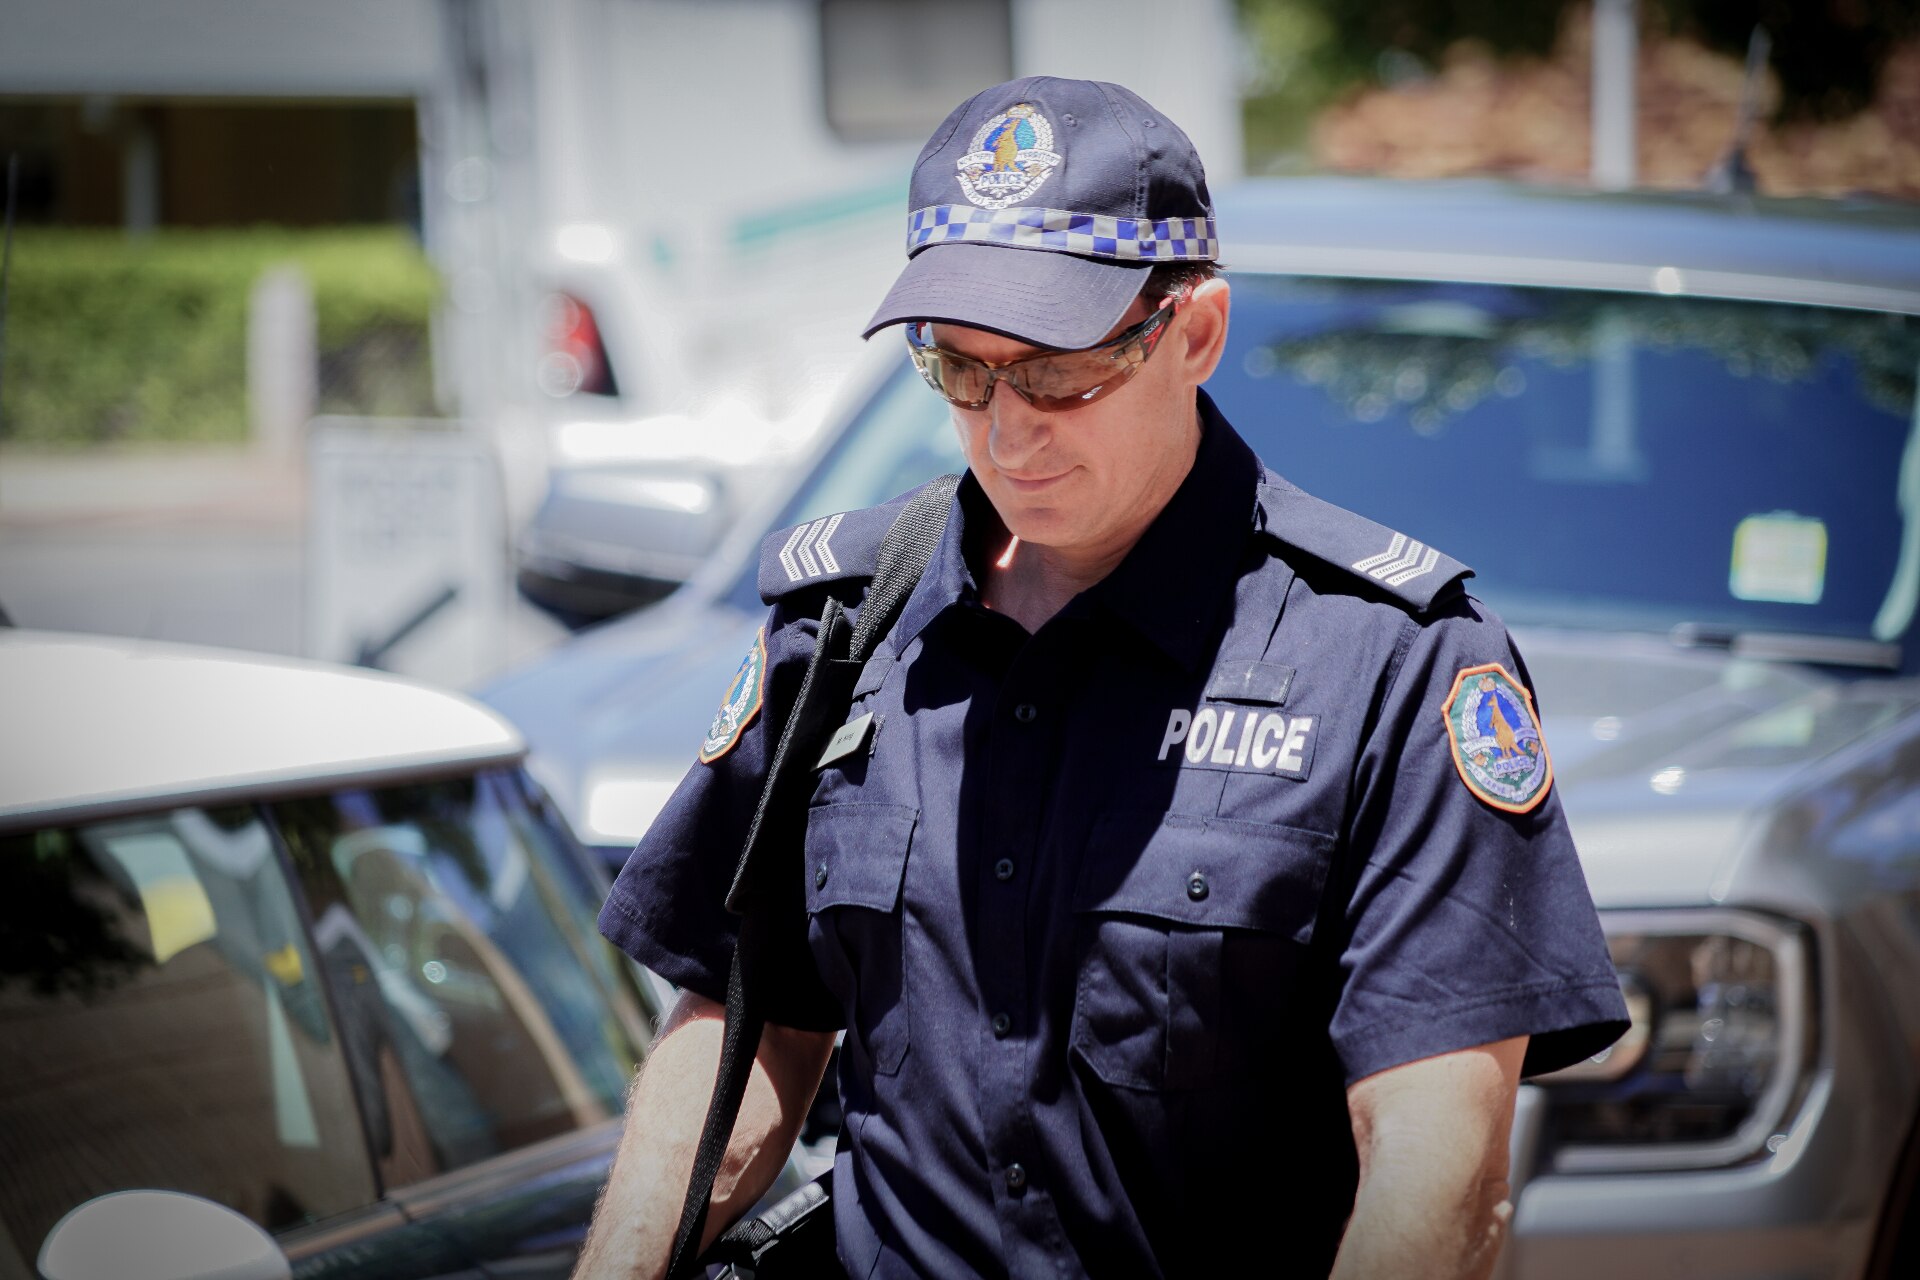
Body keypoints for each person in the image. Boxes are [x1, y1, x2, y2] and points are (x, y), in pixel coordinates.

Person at [576, 77, 1628, 1280]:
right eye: (959, 372)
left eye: (1057, 372)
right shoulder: (846, 627)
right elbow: (736, 1022)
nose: (1008, 429)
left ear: (1195, 332)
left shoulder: (1393, 663)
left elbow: (1440, 1171)